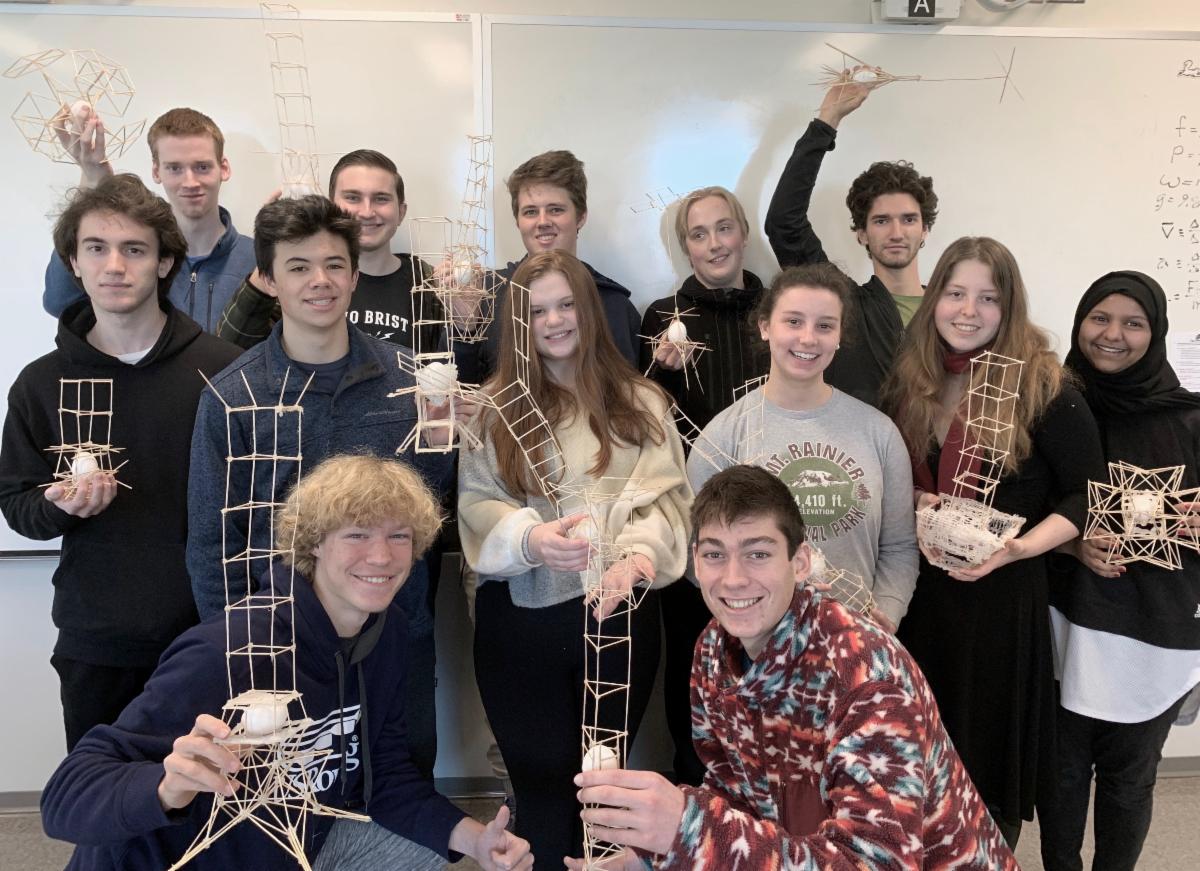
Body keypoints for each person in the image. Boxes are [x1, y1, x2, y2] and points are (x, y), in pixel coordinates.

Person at [40, 454, 532, 871]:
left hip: (294, 844)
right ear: (313, 543)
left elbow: (387, 778)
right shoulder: (226, 650)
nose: (382, 556)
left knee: (428, 851)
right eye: (357, 534)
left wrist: (476, 840)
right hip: (183, 857)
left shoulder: (387, 631)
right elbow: (63, 798)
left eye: (399, 536)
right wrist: (166, 787)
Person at [567, 464, 1018, 870]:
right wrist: (654, 857)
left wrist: (687, 832)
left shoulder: (866, 678)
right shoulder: (713, 651)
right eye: (714, 554)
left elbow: (876, 864)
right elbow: (733, 792)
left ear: (799, 562)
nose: (734, 578)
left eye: (758, 553)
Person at [187, 195, 453, 780]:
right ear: (270, 280)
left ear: (355, 276)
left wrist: (449, 436)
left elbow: (432, 515)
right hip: (278, 643)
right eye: (298, 266)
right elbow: (212, 543)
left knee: (400, 783)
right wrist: (237, 649)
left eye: (334, 264)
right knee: (288, 796)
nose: (319, 281)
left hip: (392, 635)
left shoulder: (411, 386)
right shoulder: (232, 397)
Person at [458, 249, 691, 863]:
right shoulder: (491, 408)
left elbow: (668, 506)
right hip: (522, 625)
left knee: (603, 786)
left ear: (589, 311)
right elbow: (477, 506)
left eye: (567, 305)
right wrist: (530, 539)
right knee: (539, 786)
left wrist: (637, 559)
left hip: (619, 617)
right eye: (537, 312)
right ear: (518, 324)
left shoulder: (643, 404)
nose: (555, 321)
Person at [0, 174, 240, 749]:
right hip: (96, 639)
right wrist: (58, 506)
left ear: (164, 263)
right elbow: (17, 503)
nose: (115, 265)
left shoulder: (225, 371)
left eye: (134, 249)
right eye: (96, 248)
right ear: (74, 263)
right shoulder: (41, 382)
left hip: (208, 635)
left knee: (211, 815)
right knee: (106, 813)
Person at [879, 236, 1106, 845]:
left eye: (988, 297)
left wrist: (1018, 549)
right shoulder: (911, 381)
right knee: (924, 755)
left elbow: (1087, 494)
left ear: (1010, 306)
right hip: (922, 597)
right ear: (934, 301)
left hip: (1002, 603)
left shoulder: (1043, 385)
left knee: (987, 766)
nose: (968, 310)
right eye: (955, 293)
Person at [1038, 271, 1200, 871]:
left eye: (1133, 323)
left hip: (1156, 630)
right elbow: (1020, 506)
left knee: (1130, 779)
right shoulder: (1051, 404)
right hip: (1066, 619)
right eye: (1099, 318)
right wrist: (1070, 545)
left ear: (1154, 332)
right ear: (1080, 324)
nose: (1113, 335)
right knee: (1061, 774)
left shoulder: (1189, 419)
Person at [688, 262, 918, 632]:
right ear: (766, 327)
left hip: (856, 642)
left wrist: (883, 617)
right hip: (760, 647)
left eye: (824, 325)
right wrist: (749, 611)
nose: (808, 338)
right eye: (793, 321)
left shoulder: (879, 432)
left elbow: (899, 547)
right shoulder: (723, 437)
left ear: (840, 335)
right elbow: (696, 553)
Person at [639, 185, 768, 786]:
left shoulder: (775, 311)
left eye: (724, 228)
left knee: (769, 661)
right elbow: (642, 418)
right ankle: (693, 790)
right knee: (696, 660)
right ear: (685, 246)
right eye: (699, 233)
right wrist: (657, 371)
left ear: (743, 233)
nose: (714, 243)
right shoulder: (661, 316)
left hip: (770, 519)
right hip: (693, 519)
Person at [764, 70, 936, 407]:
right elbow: (784, 223)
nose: (897, 232)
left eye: (908, 219)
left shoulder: (951, 312)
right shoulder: (846, 306)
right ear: (862, 234)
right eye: (882, 221)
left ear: (925, 229)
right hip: (861, 455)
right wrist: (826, 122)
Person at [42, 107, 255, 332]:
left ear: (223, 168)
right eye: (174, 168)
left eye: (202, 167)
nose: (190, 182)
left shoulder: (257, 259)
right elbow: (60, 302)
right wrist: (95, 181)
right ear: (156, 171)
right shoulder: (138, 255)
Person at [214, 149, 442, 357]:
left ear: (401, 212)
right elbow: (229, 349)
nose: (366, 211)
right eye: (352, 198)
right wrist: (274, 248)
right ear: (331, 205)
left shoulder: (426, 283)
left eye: (381, 199)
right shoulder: (299, 280)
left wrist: (467, 323)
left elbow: (454, 373)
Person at [476, 150, 641, 377]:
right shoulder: (486, 295)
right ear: (518, 221)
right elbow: (462, 395)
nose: (543, 222)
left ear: (581, 216)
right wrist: (460, 329)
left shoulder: (615, 306)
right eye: (531, 212)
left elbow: (629, 397)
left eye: (555, 209)